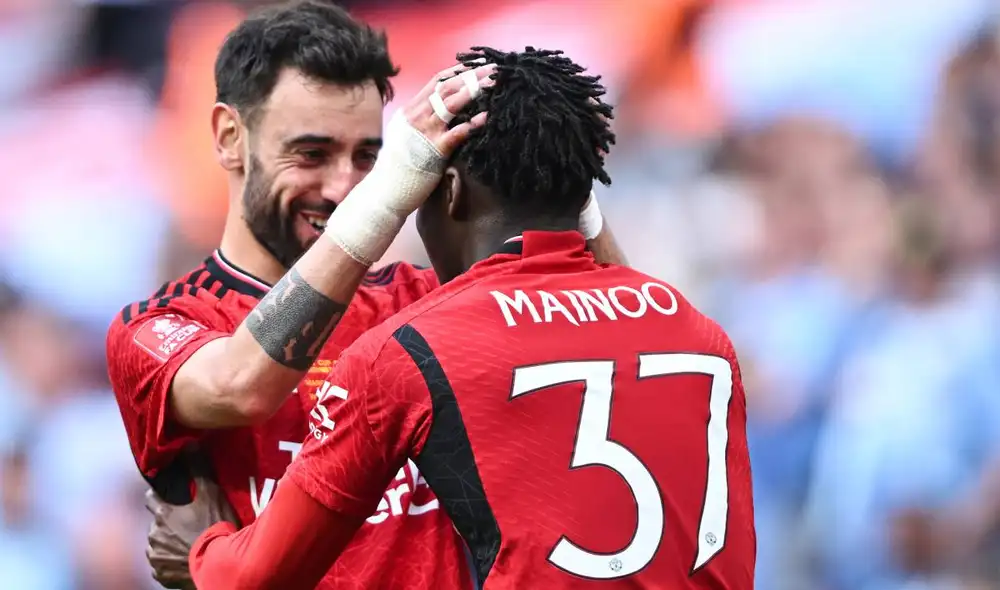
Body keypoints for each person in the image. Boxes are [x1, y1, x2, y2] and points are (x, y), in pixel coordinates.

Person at [178, 45, 756, 590]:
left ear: (446, 190)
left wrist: (200, 545)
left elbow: (253, 578)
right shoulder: (699, 333)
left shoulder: (410, 353)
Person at [105, 1, 627, 588]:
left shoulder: (428, 299)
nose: (344, 188)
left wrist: (564, 176)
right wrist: (382, 201)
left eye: (370, 159)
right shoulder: (159, 325)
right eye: (311, 154)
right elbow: (240, 386)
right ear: (230, 138)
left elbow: (620, 337)